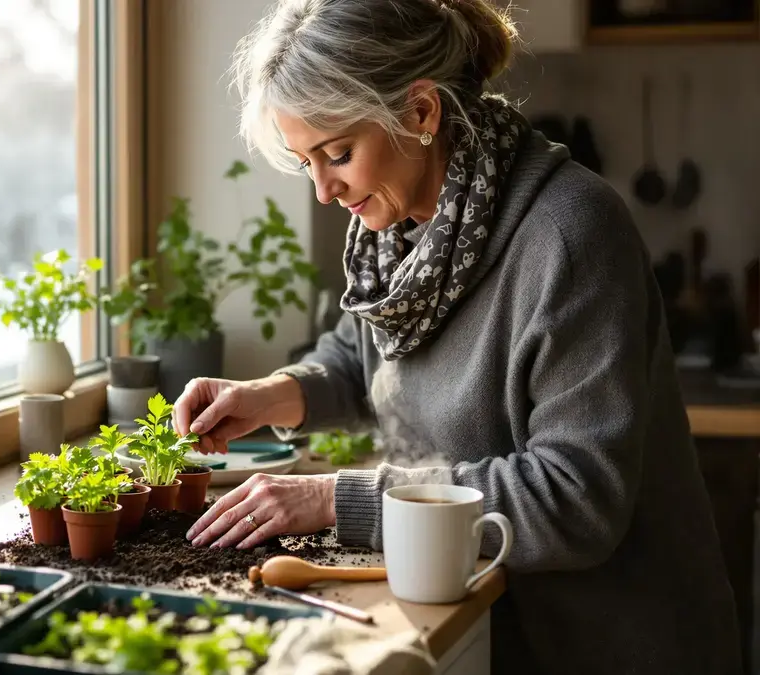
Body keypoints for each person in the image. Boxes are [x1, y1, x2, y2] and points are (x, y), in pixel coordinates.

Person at [172, 0, 743, 673]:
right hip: (488, 612)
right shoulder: (396, 229)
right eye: (307, 164)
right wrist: (268, 396)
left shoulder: (570, 234)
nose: (325, 192)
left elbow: (576, 496)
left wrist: (334, 499)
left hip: (607, 643)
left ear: (420, 113)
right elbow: (364, 354)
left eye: (337, 155)